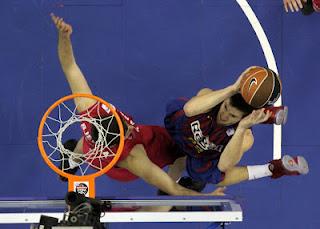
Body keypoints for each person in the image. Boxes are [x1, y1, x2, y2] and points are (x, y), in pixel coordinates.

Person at [50, 14, 225, 197]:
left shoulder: (90, 110)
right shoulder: (134, 158)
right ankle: (175, 183)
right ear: (123, 136)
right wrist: (207, 197)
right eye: (127, 130)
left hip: (95, 149)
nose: (130, 128)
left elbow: (69, 66)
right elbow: (172, 188)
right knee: (182, 157)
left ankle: (72, 158)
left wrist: (64, 36)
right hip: (125, 167)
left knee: (86, 145)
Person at [164, 71, 309, 189]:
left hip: (202, 155)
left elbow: (224, 165)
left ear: (241, 118)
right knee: (180, 114)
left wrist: (241, 128)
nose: (224, 115)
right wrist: (233, 89)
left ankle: (271, 168)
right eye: (225, 107)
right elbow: (189, 109)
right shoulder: (211, 97)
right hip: (180, 131)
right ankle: (267, 114)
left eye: (232, 116)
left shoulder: (246, 137)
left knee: (211, 174)